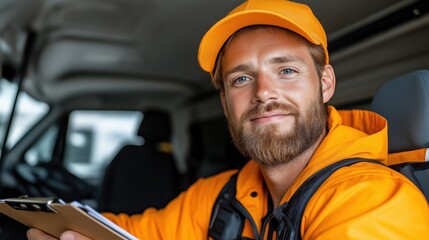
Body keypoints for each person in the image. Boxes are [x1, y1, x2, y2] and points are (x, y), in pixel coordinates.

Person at [27, 0, 429, 239]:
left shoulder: (375, 200)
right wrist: (67, 229)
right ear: (225, 101)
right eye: (241, 78)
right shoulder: (222, 194)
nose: (263, 92)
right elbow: (139, 232)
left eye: (286, 70)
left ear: (325, 84)